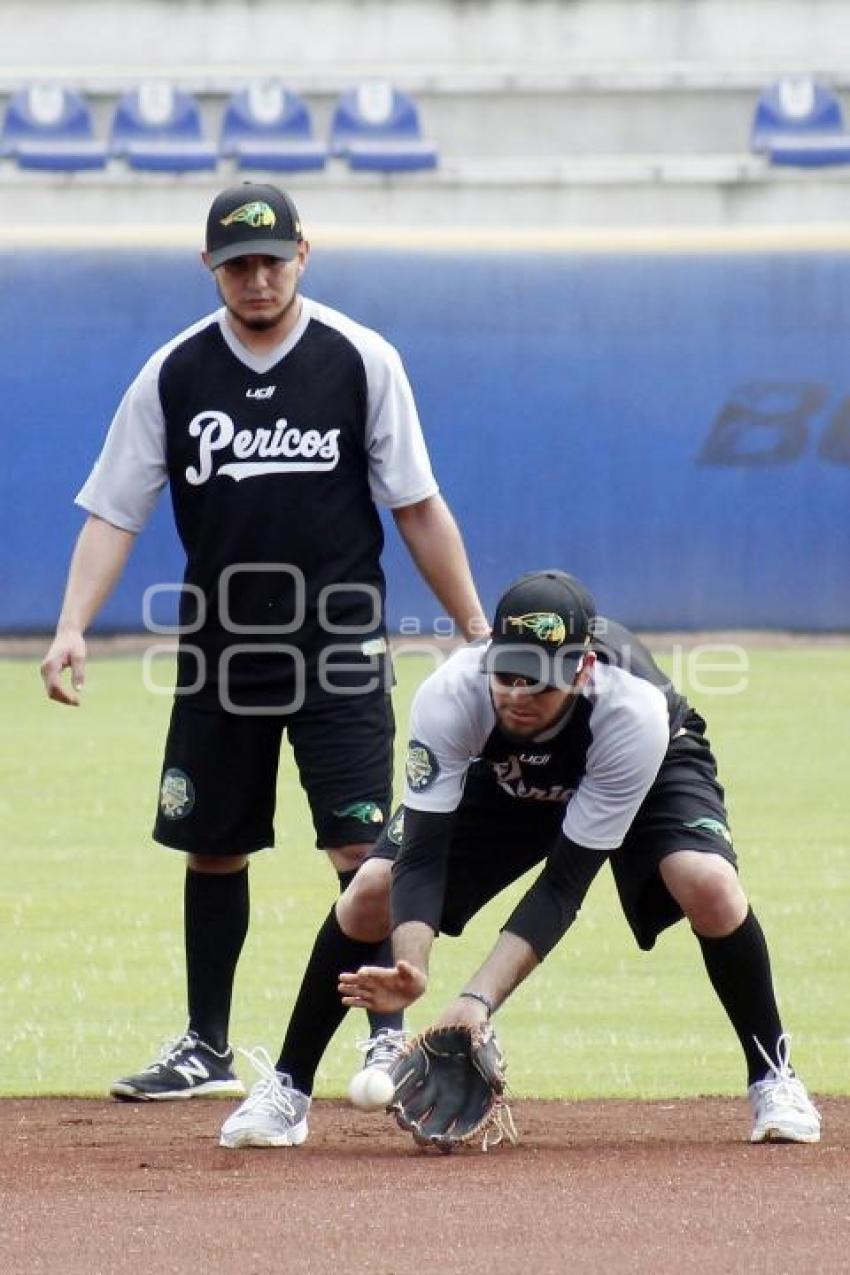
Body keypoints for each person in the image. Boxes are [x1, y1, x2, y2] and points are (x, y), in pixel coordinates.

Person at [40, 180, 486, 1108]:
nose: (255, 279)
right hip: (219, 645)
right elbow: (113, 510)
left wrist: (476, 627)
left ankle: (385, 1038)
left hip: (339, 639)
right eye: (236, 263)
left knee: (363, 848)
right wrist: (73, 624)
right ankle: (207, 1042)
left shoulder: (360, 359)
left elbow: (417, 505)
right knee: (213, 843)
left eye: (270, 260)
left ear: (303, 256)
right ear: (209, 267)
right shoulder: (174, 372)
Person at [218, 568, 821, 1147]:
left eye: (541, 679)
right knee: (372, 889)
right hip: (506, 776)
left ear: (584, 669)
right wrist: (413, 967)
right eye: (508, 674)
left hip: (647, 767)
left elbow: (563, 885)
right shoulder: (452, 694)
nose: (520, 694)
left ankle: (774, 1076)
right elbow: (421, 859)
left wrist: (475, 1002)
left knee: (708, 884)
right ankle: (289, 1089)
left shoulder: (630, 712)